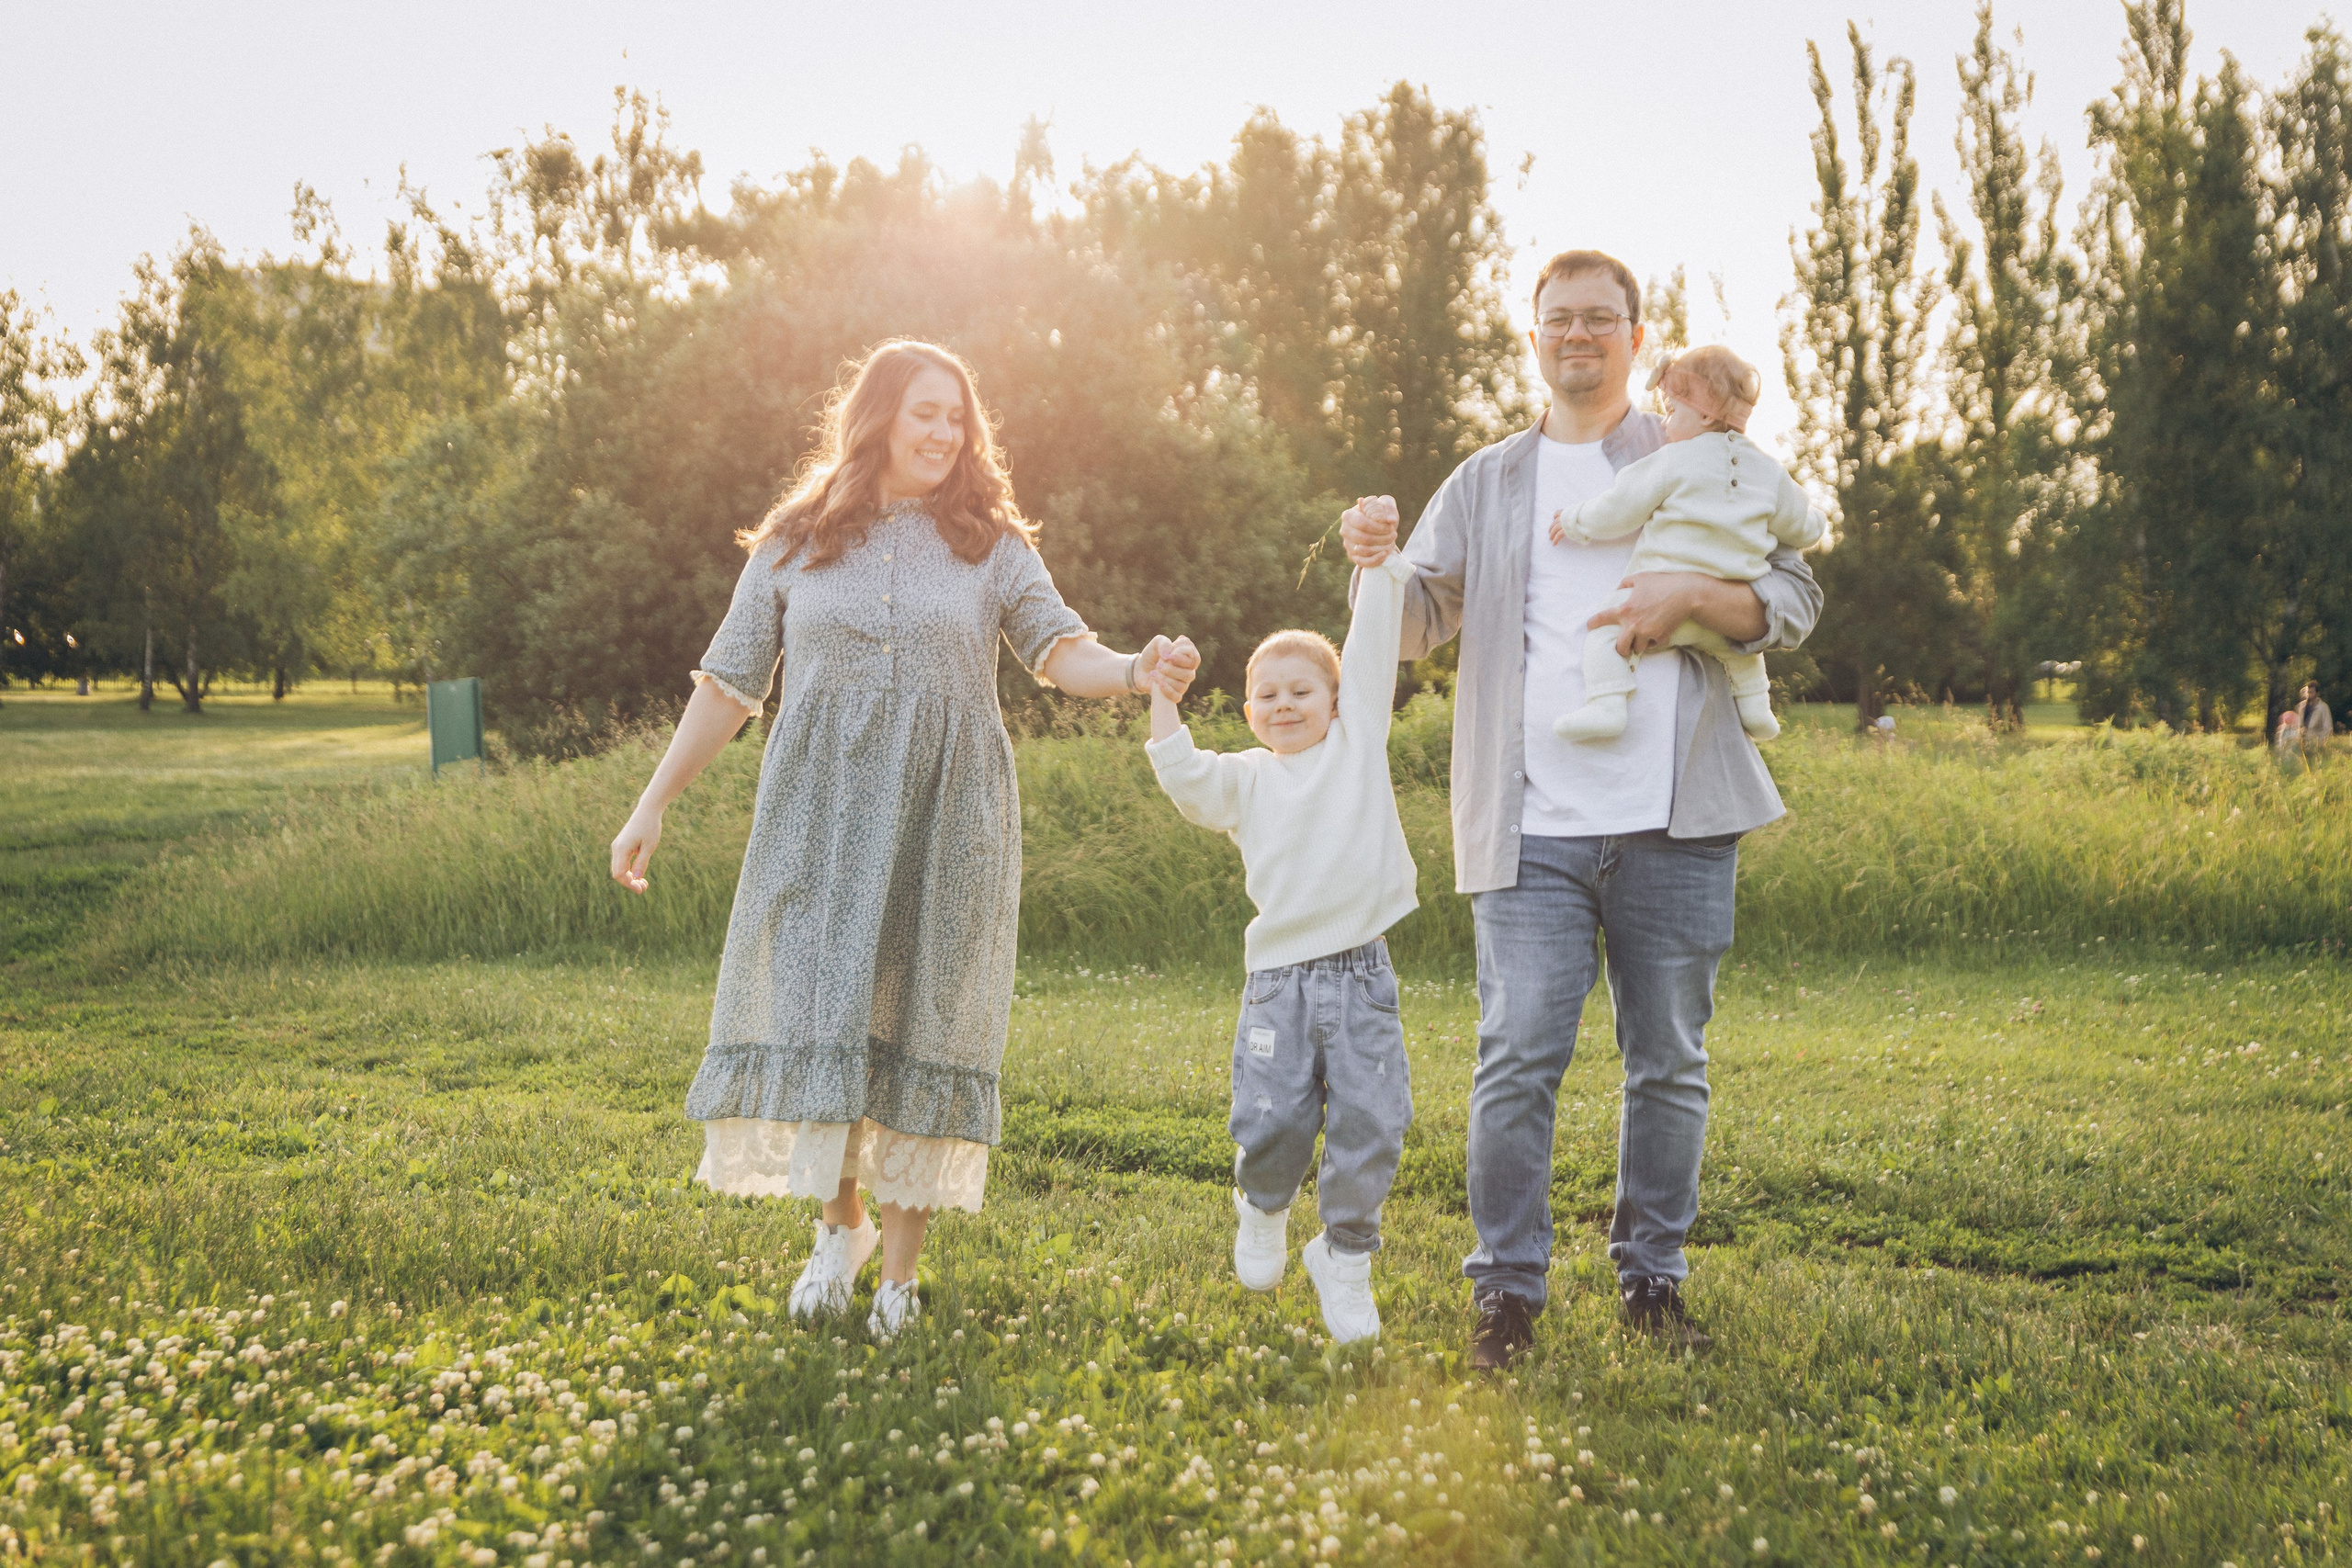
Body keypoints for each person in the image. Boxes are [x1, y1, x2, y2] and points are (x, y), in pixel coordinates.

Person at [608, 339, 1198, 1340]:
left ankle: (898, 1280)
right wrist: (652, 802)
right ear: (878, 416)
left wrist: (1135, 670)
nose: (944, 433)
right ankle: (837, 1229)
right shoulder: (793, 541)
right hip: (818, 818)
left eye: (957, 417)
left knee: (925, 1021)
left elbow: (1060, 651)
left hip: (948, 818)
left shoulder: (989, 543)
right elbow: (729, 685)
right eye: (926, 412)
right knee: (818, 1010)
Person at [1337, 251, 1822, 1368]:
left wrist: (1693, 593)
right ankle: (1505, 1293)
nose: (1578, 335)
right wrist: (1374, 565)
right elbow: (1412, 625)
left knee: (1669, 1062)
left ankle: (1652, 1280)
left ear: (1636, 339)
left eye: (1601, 317)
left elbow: (1795, 595)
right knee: (1515, 1060)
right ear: (1534, 336)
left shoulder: (1700, 448)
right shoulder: (1486, 481)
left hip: (1676, 819)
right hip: (1530, 828)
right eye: (1558, 318)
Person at [1143, 526, 1421, 1344]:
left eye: (1303, 690)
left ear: (1337, 703)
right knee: (1274, 1121)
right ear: (1248, 713)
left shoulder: (1357, 747)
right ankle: (1263, 1206)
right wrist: (1163, 692)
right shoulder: (1246, 778)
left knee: (1373, 1124)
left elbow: (1373, 646)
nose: (1286, 704)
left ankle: (1345, 1257)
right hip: (1279, 985)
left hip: (1362, 975)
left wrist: (1377, 563)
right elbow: (1183, 773)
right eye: (1268, 695)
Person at [1549, 344, 1826, 744]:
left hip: (1654, 606)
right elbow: (1802, 527)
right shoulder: (1771, 473)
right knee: (1741, 655)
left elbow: (1620, 508)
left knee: (1605, 635)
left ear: (1706, 414)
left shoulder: (1672, 460)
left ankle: (1607, 705)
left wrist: (1574, 520)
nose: (1665, 423)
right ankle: (1757, 708)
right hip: (1724, 616)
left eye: (1672, 410)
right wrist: (1819, 522)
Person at [2298, 682, 2333, 757]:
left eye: (2311, 692)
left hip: (2316, 746)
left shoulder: (2323, 707)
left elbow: (2328, 728)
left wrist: (2320, 744)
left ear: (2317, 693)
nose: (2309, 695)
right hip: (2301, 745)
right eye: (2308, 692)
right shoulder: (2302, 706)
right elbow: (2297, 723)